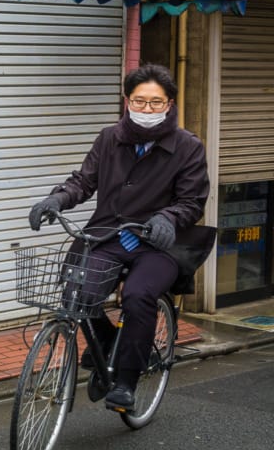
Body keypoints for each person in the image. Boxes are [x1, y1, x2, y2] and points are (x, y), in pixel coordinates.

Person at [27, 63, 210, 410]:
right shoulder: (110, 137)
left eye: (156, 102)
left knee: (139, 295)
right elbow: (83, 181)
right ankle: (109, 343)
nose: (147, 109)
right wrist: (57, 199)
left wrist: (168, 218)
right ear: (127, 101)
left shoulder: (188, 146)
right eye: (140, 101)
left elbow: (192, 200)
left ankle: (126, 380)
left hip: (158, 244)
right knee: (76, 294)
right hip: (108, 236)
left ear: (170, 104)